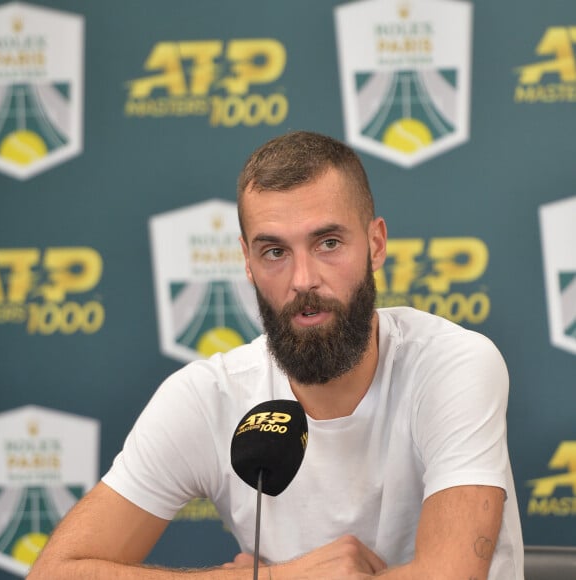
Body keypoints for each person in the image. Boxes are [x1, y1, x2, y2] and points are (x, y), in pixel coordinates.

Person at [28, 131, 524, 579]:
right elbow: (54, 574)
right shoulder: (209, 397)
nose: (303, 279)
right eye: (274, 252)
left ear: (375, 245)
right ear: (247, 261)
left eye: (328, 243)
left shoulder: (453, 364)